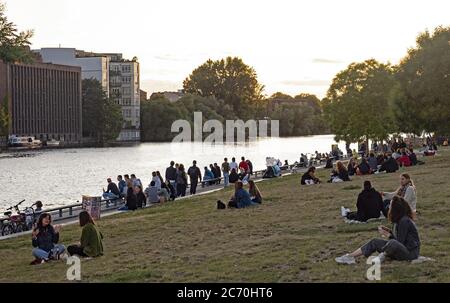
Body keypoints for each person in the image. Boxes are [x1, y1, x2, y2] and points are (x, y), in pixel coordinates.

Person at [336, 196, 420, 264]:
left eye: (390, 205)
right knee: (375, 241)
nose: (388, 207)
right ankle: (350, 256)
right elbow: (399, 240)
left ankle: (383, 256)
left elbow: (399, 243)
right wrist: (389, 232)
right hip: (402, 250)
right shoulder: (398, 220)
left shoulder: (404, 221)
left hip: (410, 254)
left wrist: (389, 235)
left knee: (392, 243)